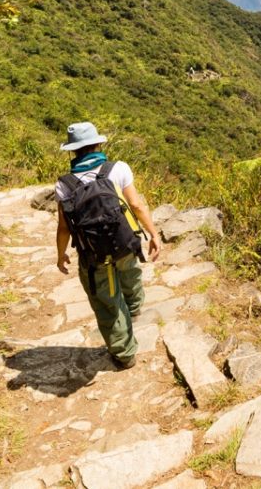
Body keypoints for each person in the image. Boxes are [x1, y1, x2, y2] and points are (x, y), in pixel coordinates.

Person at [54, 122, 160, 369]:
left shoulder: (64, 184)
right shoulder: (117, 169)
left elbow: (63, 227)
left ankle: (124, 354)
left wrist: (61, 254)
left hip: (93, 253)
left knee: (106, 300)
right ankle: (134, 309)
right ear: (98, 144)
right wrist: (153, 233)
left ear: (73, 151)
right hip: (124, 242)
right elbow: (136, 206)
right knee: (130, 273)